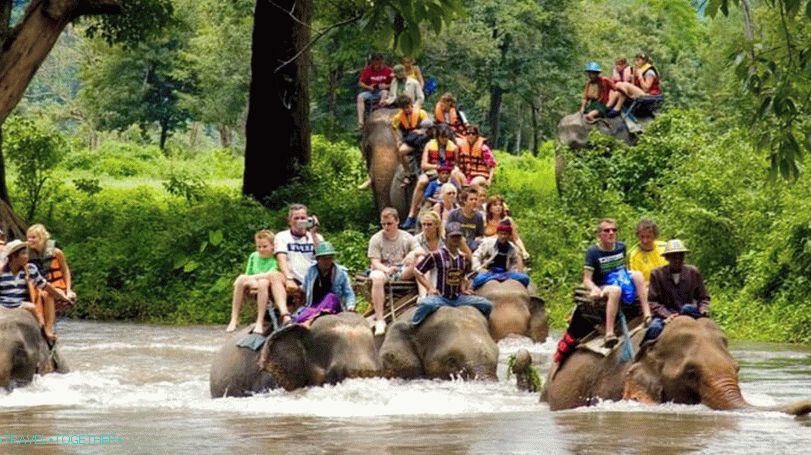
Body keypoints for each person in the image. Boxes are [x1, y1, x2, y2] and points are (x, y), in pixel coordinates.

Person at [582, 218, 651, 348]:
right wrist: (594, 289)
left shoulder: (621, 247)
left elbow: (624, 269)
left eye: (614, 230)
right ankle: (609, 332)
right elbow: (586, 279)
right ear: (599, 234)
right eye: (606, 231)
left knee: (638, 275)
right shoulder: (593, 252)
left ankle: (647, 315)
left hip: (621, 278)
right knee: (615, 290)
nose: (611, 233)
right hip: (604, 284)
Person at [411, 222, 492, 326]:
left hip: (458, 298)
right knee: (425, 305)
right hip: (440, 297)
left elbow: (463, 276)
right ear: (446, 237)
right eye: (453, 236)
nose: (456, 239)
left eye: (458, 236)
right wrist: (429, 288)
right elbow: (417, 271)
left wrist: (464, 288)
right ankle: (412, 326)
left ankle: (486, 326)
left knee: (487, 304)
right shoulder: (436, 255)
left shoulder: (463, 257)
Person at [1, 240, 70, 342]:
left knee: (32, 307)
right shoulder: (2, 272)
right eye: (23, 254)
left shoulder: (30, 269)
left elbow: (45, 286)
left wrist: (61, 296)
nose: (27, 256)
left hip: (21, 303)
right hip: (2, 303)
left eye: (26, 253)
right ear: (13, 257)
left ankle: (42, 332)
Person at [644, 239, 711, 341]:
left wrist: (703, 308)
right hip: (665, 313)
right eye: (673, 256)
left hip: (688, 311)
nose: (677, 259)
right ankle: (644, 351)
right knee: (654, 329)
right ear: (667, 258)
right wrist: (668, 315)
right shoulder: (657, 274)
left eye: (680, 256)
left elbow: (703, 297)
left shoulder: (693, 272)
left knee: (688, 308)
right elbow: (653, 301)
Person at [367, 207, 419, 335]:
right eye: (383, 224)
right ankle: (380, 319)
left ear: (397, 222)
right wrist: (387, 269)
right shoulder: (376, 239)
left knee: (420, 259)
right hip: (384, 272)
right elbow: (374, 261)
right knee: (377, 276)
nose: (386, 227)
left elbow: (420, 250)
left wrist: (412, 254)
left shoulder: (406, 237)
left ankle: (424, 296)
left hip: (402, 271)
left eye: (389, 223)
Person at [400, 126, 463, 230]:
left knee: (456, 176)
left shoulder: (454, 147)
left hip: (449, 171)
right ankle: (411, 215)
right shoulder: (429, 145)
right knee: (421, 181)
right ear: (437, 137)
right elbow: (424, 165)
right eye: (442, 137)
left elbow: (456, 164)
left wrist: (450, 169)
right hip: (433, 170)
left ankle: (460, 204)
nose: (444, 140)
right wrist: (438, 167)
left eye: (446, 137)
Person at [226, 230, 288, 333]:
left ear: (272, 246)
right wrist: (246, 279)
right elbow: (248, 274)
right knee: (241, 279)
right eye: (258, 247)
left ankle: (260, 321)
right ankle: (234, 318)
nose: (261, 249)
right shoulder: (253, 256)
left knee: (263, 282)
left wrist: (251, 278)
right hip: (254, 281)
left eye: (264, 246)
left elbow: (271, 275)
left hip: (269, 283)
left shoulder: (275, 257)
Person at [26, 224, 76, 341]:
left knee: (47, 293)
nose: (30, 240)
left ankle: (48, 328)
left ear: (42, 238)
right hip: (39, 286)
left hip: (56, 286)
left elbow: (65, 271)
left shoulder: (56, 252)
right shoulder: (27, 254)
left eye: (33, 237)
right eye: (28, 237)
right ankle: (39, 322)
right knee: (36, 294)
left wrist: (68, 290)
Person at [293, 242, 355, 327]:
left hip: (332, 306)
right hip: (314, 306)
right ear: (318, 259)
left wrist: (350, 305)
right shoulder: (311, 271)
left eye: (330, 258)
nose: (328, 261)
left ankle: (310, 321)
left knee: (330, 297)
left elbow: (349, 293)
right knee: (298, 318)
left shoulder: (341, 272)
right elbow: (304, 288)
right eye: (325, 258)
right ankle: (309, 318)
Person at [275, 204, 323, 305]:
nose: (299, 221)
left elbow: (323, 257)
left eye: (303, 218)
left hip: (313, 278)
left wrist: (313, 233)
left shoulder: (316, 237)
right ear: (289, 221)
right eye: (296, 218)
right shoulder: (282, 236)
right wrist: (288, 278)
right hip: (294, 278)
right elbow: (281, 259)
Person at [471, 221, 530, 289]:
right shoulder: (488, 243)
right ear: (498, 234)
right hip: (489, 272)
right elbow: (476, 255)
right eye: (501, 234)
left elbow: (514, 262)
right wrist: (479, 268)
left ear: (509, 235)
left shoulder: (513, 248)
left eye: (505, 234)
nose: (503, 236)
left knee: (525, 278)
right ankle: (471, 290)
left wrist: (513, 271)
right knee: (477, 280)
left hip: (506, 273)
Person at [391, 94, 432, 186]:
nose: (407, 110)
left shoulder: (421, 113)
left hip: (423, 139)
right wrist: (398, 139)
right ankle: (408, 173)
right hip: (411, 141)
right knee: (401, 151)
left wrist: (421, 130)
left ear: (411, 104)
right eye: (404, 108)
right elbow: (393, 127)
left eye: (408, 107)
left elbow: (428, 127)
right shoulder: (398, 117)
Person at [606, 52, 661, 117]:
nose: (636, 62)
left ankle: (617, 108)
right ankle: (607, 107)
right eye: (635, 60)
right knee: (620, 88)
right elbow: (634, 86)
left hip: (649, 96)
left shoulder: (649, 72)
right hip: (640, 92)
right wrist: (634, 77)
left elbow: (646, 89)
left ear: (644, 61)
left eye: (638, 60)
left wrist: (640, 77)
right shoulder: (638, 70)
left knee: (622, 84)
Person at [403, 211, 444, 297]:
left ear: (436, 225)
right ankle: (424, 296)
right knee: (422, 260)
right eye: (423, 224)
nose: (426, 227)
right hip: (418, 269)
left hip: (438, 268)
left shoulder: (444, 240)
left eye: (429, 224)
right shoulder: (416, 239)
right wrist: (414, 253)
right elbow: (406, 260)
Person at [483, 194, 529, 260]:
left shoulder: (508, 220)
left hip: (505, 249)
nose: (498, 207)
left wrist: (524, 250)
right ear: (490, 208)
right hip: (488, 250)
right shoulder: (485, 220)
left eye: (500, 205)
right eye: (495, 205)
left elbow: (516, 238)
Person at [356, 52, 393, 128]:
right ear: (372, 62)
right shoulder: (368, 70)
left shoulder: (388, 70)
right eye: (375, 64)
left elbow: (395, 83)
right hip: (371, 92)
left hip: (383, 92)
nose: (377, 66)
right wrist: (368, 87)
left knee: (385, 93)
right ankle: (360, 121)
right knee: (360, 96)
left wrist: (386, 85)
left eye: (379, 64)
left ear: (382, 62)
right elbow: (360, 83)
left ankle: (379, 109)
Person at [627, 218, 668, 284]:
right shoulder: (634, 255)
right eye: (642, 237)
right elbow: (636, 282)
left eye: (648, 237)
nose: (645, 241)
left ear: (655, 235)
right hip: (648, 288)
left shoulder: (665, 247)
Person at [447, 186, 485, 257]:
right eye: (471, 199)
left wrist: (478, 239)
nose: (474, 202)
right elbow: (448, 232)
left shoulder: (478, 216)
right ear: (464, 201)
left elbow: (480, 234)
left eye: (475, 199)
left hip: (472, 246)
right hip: (456, 244)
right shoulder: (454, 214)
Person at [456, 125, 496, 189]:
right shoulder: (460, 147)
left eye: (473, 133)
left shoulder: (483, 148)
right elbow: (456, 162)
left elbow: (492, 165)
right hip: (465, 175)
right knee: (455, 174)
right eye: (468, 133)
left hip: (480, 175)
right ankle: (460, 195)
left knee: (473, 183)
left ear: (477, 135)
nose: (470, 135)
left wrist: (489, 180)